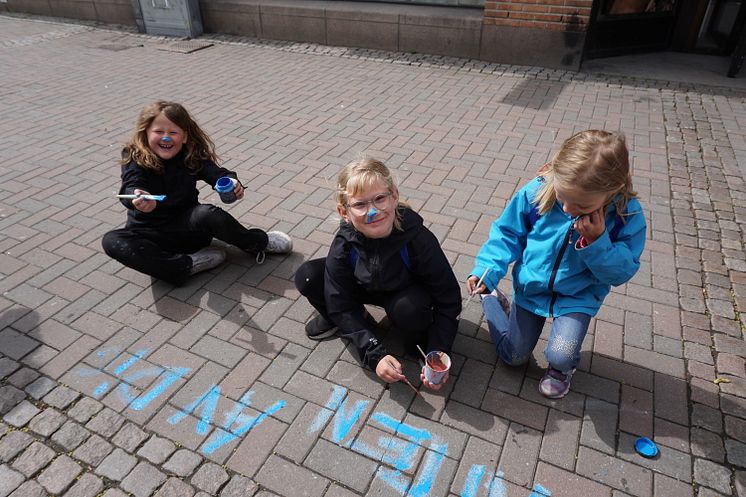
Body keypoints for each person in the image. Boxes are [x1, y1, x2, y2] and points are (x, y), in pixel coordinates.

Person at [467, 130, 646, 399]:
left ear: (613, 190)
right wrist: (486, 271)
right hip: (532, 287)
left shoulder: (626, 214)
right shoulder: (538, 191)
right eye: (563, 196)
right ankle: (493, 299)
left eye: (581, 204)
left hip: (578, 295)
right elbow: (507, 234)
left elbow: (621, 273)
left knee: (560, 354)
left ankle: (561, 370)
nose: (566, 209)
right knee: (513, 356)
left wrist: (597, 242)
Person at [294, 158, 462, 390]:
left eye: (380, 199)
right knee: (308, 276)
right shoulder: (344, 243)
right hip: (365, 285)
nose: (373, 211)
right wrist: (374, 354)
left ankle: (417, 339)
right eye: (360, 205)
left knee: (409, 311)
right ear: (344, 212)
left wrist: (438, 348)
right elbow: (339, 301)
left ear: (394, 196)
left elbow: (448, 298)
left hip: (405, 292)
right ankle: (358, 322)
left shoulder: (418, 239)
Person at [102, 101, 292, 285]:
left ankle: (258, 243)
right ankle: (187, 265)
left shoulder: (189, 154)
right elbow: (131, 183)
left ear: (184, 136)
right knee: (112, 241)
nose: (166, 137)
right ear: (145, 134)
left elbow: (215, 173)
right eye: (159, 132)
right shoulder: (134, 156)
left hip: (188, 231)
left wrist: (230, 182)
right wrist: (137, 196)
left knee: (208, 214)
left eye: (173, 132)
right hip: (150, 234)